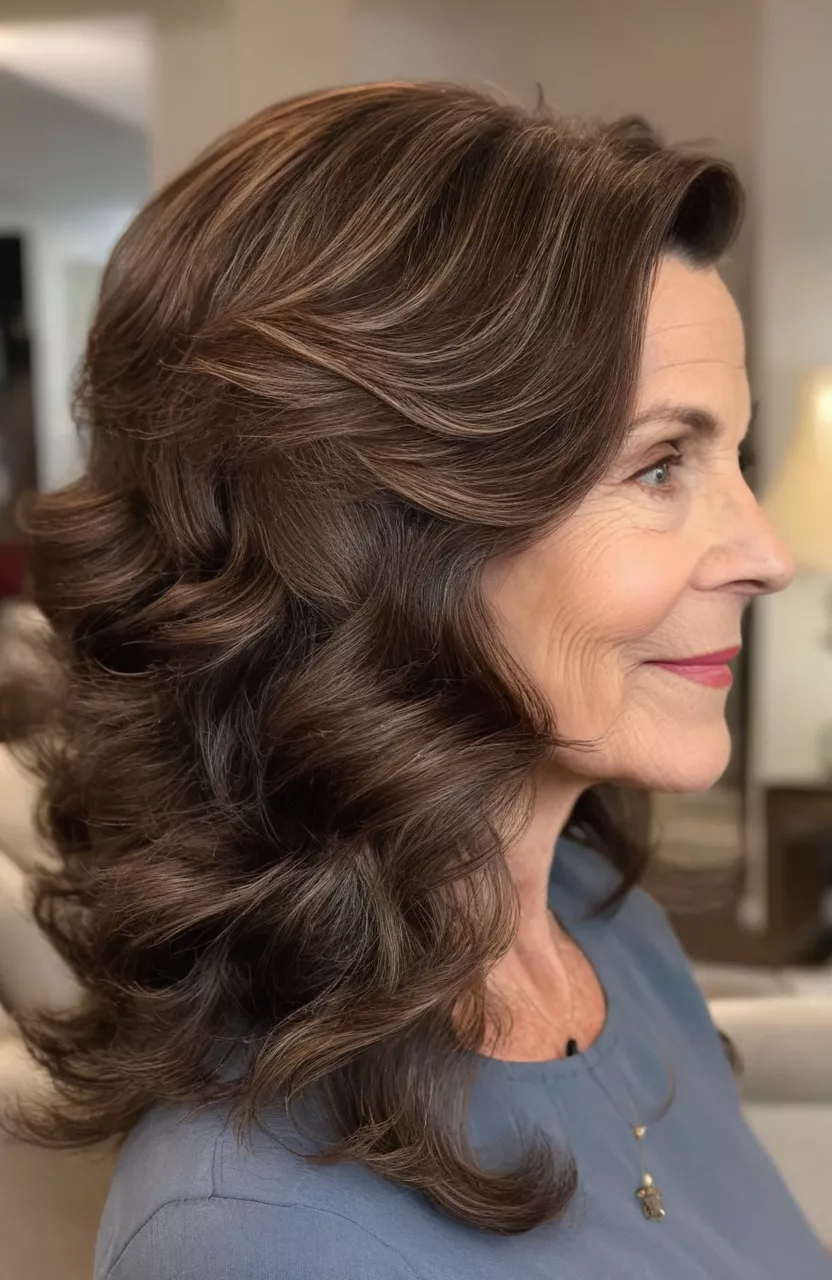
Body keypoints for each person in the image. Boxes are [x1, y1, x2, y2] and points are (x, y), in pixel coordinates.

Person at [8, 82, 829, 1279]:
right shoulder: (262, 1233)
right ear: (375, 529)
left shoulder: (601, 922)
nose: (765, 555)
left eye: (733, 457)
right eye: (659, 465)